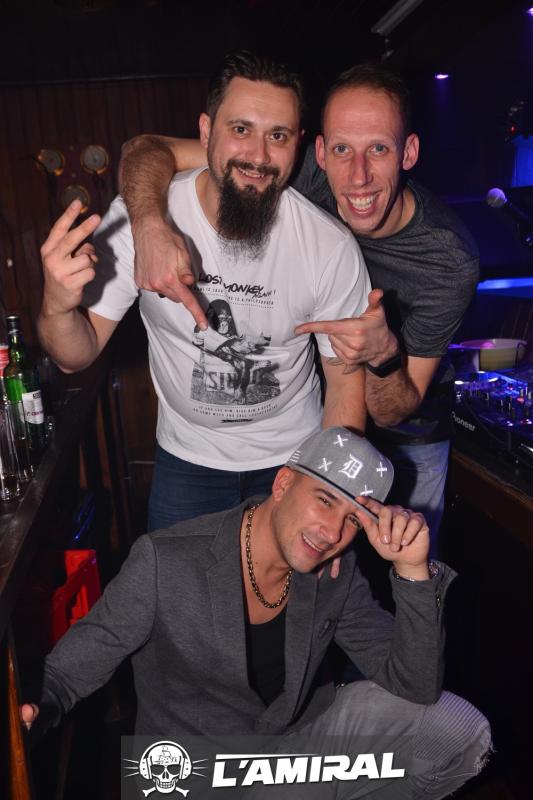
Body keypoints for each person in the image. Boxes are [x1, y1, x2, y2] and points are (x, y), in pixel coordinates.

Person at [119, 63, 480, 553]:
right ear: (320, 152)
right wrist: (147, 224)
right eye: (342, 150)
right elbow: (146, 151)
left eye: (379, 148)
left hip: (408, 430)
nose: (358, 175)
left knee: (399, 563)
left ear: (408, 153)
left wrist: (382, 356)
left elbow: (392, 410)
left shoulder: (448, 260)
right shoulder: (287, 167)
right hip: (328, 409)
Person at [20, 427, 490, 799]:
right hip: (190, 773)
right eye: (325, 500)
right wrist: (29, 713)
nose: (332, 532)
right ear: (283, 484)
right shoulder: (164, 562)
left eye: (352, 518)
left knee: (457, 729)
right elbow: (66, 674)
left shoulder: (337, 571)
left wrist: (412, 571)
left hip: (291, 753)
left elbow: (415, 686)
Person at [37, 52, 372, 531]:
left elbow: (345, 383)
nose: (259, 155)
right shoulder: (143, 219)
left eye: (277, 136)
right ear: (206, 131)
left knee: (293, 585)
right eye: (241, 129)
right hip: (187, 461)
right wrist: (56, 305)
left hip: (294, 460)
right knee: (173, 582)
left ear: (297, 143)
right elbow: (75, 355)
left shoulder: (329, 246)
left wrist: (330, 493)